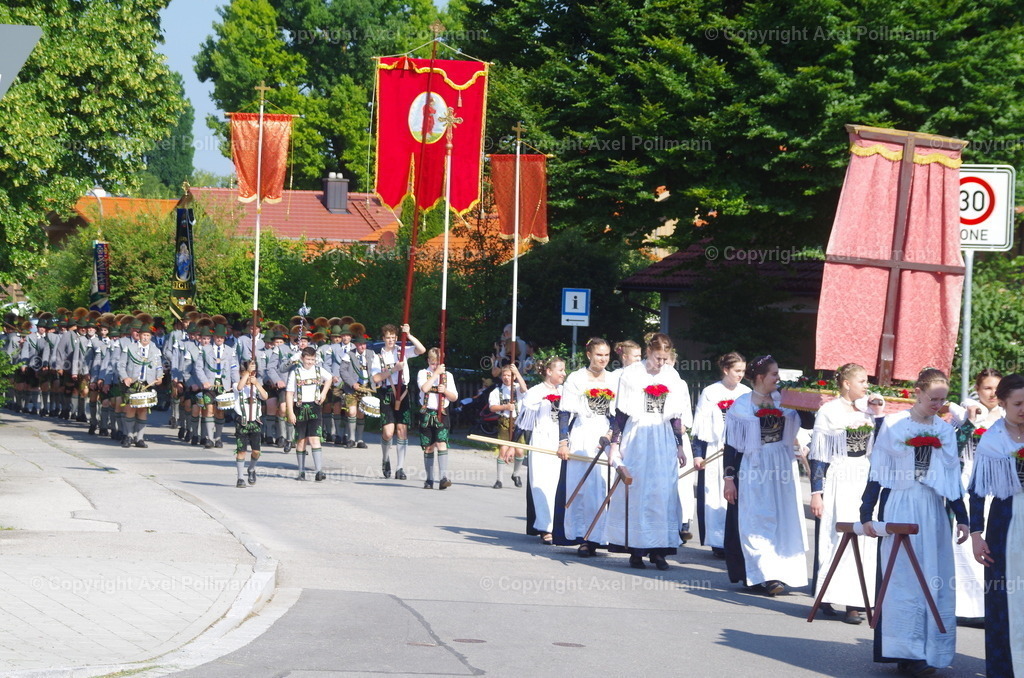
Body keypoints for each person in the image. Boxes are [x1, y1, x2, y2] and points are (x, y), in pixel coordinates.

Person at [860, 368, 969, 676]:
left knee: (933, 575)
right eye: (933, 398)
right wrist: (866, 515)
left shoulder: (945, 431)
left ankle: (932, 650)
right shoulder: (895, 424)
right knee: (903, 578)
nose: (938, 404)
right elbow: (877, 472)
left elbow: (951, 478)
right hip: (902, 504)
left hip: (933, 510)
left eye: (942, 400)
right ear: (918, 392)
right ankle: (906, 652)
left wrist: (962, 518)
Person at [808, 363, 884, 624]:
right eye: (862, 381)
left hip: (863, 475)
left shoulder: (868, 411)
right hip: (840, 475)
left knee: (864, 535)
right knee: (837, 535)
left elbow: (882, 445)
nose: (866, 385)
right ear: (847, 383)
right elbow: (819, 455)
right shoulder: (828, 411)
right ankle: (828, 593)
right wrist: (816, 492)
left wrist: (878, 414)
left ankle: (856, 599)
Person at [723, 354, 806, 594]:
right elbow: (731, 445)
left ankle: (782, 571)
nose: (778, 378)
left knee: (782, 518)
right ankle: (764, 574)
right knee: (757, 519)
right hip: (755, 468)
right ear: (760, 377)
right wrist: (729, 479)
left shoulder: (785, 401)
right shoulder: (742, 405)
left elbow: (808, 421)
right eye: (774, 374)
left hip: (781, 466)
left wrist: (803, 395)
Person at [606, 333, 690, 570]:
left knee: (662, 491)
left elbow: (675, 415)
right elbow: (621, 413)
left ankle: (660, 551)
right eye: (657, 358)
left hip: (662, 438)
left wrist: (680, 444)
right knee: (638, 490)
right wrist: (614, 443)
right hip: (638, 436)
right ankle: (636, 549)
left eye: (665, 358)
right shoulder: (632, 374)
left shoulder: (672, 376)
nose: (661, 363)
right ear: (648, 352)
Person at [968, 373, 1024, 678]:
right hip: (1006, 523)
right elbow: (977, 492)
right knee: (1004, 594)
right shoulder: (992, 439)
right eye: (1018, 403)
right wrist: (977, 534)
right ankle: (1005, 670)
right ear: (1001, 403)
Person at [949, 367, 1003, 624]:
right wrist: (970, 422)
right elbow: (952, 447)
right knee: (968, 538)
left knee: (993, 540)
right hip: (969, 477)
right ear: (977, 389)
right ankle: (965, 606)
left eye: (996, 388)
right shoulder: (964, 412)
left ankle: (989, 605)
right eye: (987, 388)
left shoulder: (1009, 415)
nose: (992, 393)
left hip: (1000, 483)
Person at [558, 338, 618, 556]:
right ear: (589, 355)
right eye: (598, 355)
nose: (602, 359)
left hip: (604, 436)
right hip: (582, 434)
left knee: (600, 488)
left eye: (606, 355)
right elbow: (565, 412)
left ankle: (598, 536)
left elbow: (618, 415)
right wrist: (563, 441)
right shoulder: (576, 378)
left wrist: (611, 435)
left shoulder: (614, 379)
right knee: (580, 486)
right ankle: (582, 536)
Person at [690, 352, 751, 558]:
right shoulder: (710, 392)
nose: (741, 375)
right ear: (726, 370)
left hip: (738, 450)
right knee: (714, 495)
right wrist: (698, 454)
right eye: (737, 371)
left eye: (743, 371)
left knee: (735, 495)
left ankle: (735, 538)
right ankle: (718, 540)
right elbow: (700, 425)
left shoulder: (746, 392)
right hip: (715, 449)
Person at [518, 356, 568, 544]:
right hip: (541, 442)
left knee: (558, 485)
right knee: (541, 484)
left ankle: (559, 526)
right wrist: (509, 445)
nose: (564, 374)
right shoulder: (535, 392)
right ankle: (545, 527)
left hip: (561, 443)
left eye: (564, 370)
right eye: (560, 370)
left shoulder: (565, 391)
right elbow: (524, 424)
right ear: (549, 372)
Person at [371, 323, 426, 480]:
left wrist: (408, 336)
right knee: (388, 432)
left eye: (393, 337)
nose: (391, 340)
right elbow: (375, 378)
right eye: (388, 338)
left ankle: (400, 467)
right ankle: (385, 458)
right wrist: (394, 369)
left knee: (402, 430)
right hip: (387, 393)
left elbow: (422, 350)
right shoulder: (378, 356)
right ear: (383, 339)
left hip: (403, 392)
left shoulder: (403, 351)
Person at [285, 346, 332, 481]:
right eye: (308, 359)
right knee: (301, 440)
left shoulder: (318, 370)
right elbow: (289, 393)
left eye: (312, 359)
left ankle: (319, 471)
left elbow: (329, 378)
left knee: (315, 438)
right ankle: (301, 471)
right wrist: (290, 412)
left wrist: (323, 393)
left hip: (314, 407)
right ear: (302, 359)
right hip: (300, 407)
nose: (310, 362)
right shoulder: (295, 373)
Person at [116, 317, 163, 448]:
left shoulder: (155, 349)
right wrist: (125, 377)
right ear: (139, 336)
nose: (146, 338)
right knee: (130, 409)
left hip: (147, 384)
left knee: (142, 410)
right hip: (132, 383)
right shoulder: (129, 348)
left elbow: (159, 366)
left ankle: (140, 438)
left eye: (148, 335)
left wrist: (159, 377)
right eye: (144, 335)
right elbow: (121, 365)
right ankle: (128, 436)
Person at [418, 348, 459, 489]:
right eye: (433, 363)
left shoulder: (448, 376)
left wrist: (445, 391)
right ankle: (429, 479)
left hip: (442, 413)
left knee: (442, 443)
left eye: (438, 363)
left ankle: (443, 478)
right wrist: (436, 374)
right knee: (428, 447)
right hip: (427, 413)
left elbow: (454, 397)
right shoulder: (423, 373)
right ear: (429, 361)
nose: (435, 365)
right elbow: (424, 388)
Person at [489, 363, 528, 488]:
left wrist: (517, 372)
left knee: (520, 452)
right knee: (503, 451)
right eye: (504, 375)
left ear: (514, 377)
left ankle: (515, 474)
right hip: (504, 422)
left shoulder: (517, 388)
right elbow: (492, 407)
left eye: (509, 375)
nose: (506, 378)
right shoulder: (497, 391)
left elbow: (525, 389)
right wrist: (505, 407)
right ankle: (499, 480)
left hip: (518, 423)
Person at [233, 361, 268, 488]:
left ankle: (251, 469)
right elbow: (239, 387)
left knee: (256, 451)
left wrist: (257, 384)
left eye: (253, 373)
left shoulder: (256, 386)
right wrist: (247, 372)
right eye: (246, 374)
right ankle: (240, 478)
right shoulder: (237, 385)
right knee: (241, 451)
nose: (249, 377)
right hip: (242, 421)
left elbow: (265, 396)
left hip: (255, 422)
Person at [338, 330, 374, 449]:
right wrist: (352, 383)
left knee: (361, 413)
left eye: (364, 344)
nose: (362, 346)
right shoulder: (348, 354)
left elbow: (376, 369)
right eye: (359, 344)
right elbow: (342, 371)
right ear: (356, 345)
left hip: (365, 388)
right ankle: (351, 438)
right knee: (352, 412)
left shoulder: (371, 354)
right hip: (351, 388)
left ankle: (360, 439)